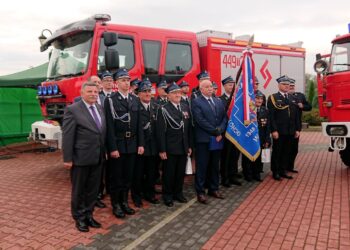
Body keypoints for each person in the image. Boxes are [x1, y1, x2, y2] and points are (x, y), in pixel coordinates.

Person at [62, 81, 106, 232]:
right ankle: (79, 218)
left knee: (93, 190)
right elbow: (68, 136)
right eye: (90, 92)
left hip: (98, 157)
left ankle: (89, 215)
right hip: (81, 158)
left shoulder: (99, 108)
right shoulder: (73, 110)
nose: (93, 94)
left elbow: (101, 133)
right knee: (79, 190)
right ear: (82, 94)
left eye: (95, 91)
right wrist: (67, 158)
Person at [105, 68, 145, 218]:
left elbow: (139, 125)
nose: (126, 83)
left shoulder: (135, 99)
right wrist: (113, 148)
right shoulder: (111, 100)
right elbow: (109, 126)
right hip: (119, 144)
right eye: (123, 80)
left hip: (133, 143)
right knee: (117, 178)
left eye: (128, 80)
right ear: (116, 83)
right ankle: (116, 205)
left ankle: (124, 202)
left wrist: (141, 144)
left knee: (128, 177)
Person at [156, 83, 193, 207]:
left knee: (180, 173)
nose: (178, 95)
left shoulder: (184, 107)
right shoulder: (163, 109)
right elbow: (160, 132)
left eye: (179, 92)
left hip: (183, 147)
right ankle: (167, 195)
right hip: (170, 148)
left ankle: (178, 193)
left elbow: (188, 130)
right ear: (169, 95)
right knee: (169, 174)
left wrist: (188, 146)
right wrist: (162, 150)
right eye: (174, 93)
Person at [192, 79, 227, 204]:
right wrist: (216, 132)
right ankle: (200, 192)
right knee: (202, 167)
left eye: (211, 86)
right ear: (201, 89)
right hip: (204, 140)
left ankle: (214, 188)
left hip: (217, 139)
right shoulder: (196, 102)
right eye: (206, 87)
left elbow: (224, 118)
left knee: (214, 165)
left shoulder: (218, 101)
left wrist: (220, 130)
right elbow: (200, 120)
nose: (210, 88)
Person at [131, 78, 160, 207]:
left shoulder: (155, 106)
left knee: (151, 172)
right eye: (144, 91)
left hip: (153, 147)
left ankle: (150, 194)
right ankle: (136, 197)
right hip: (140, 146)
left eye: (149, 91)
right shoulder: (134, 107)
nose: (148, 93)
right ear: (139, 93)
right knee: (137, 174)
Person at [267, 75, 301, 181]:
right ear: (279, 85)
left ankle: (283, 170)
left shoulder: (292, 98)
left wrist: (297, 129)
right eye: (284, 84)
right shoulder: (273, 97)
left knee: (287, 151)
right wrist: (274, 130)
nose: (287, 86)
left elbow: (296, 116)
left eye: (288, 84)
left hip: (291, 130)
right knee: (277, 152)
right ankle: (275, 172)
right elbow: (271, 116)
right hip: (279, 131)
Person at [219, 76, 242, 187]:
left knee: (235, 155)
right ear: (224, 86)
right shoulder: (220, 99)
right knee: (226, 156)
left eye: (233, 84)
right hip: (226, 132)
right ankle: (225, 177)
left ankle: (233, 175)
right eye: (229, 85)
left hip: (237, 132)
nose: (231, 86)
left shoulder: (237, 99)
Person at [288, 78, 312, 172]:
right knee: (286, 149)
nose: (291, 87)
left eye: (292, 86)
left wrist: (303, 106)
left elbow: (309, 107)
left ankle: (290, 167)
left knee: (294, 149)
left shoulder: (300, 96)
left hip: (296, 126)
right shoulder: (284, 97)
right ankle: (283, 167)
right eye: (290, 86)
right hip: (286, 127)